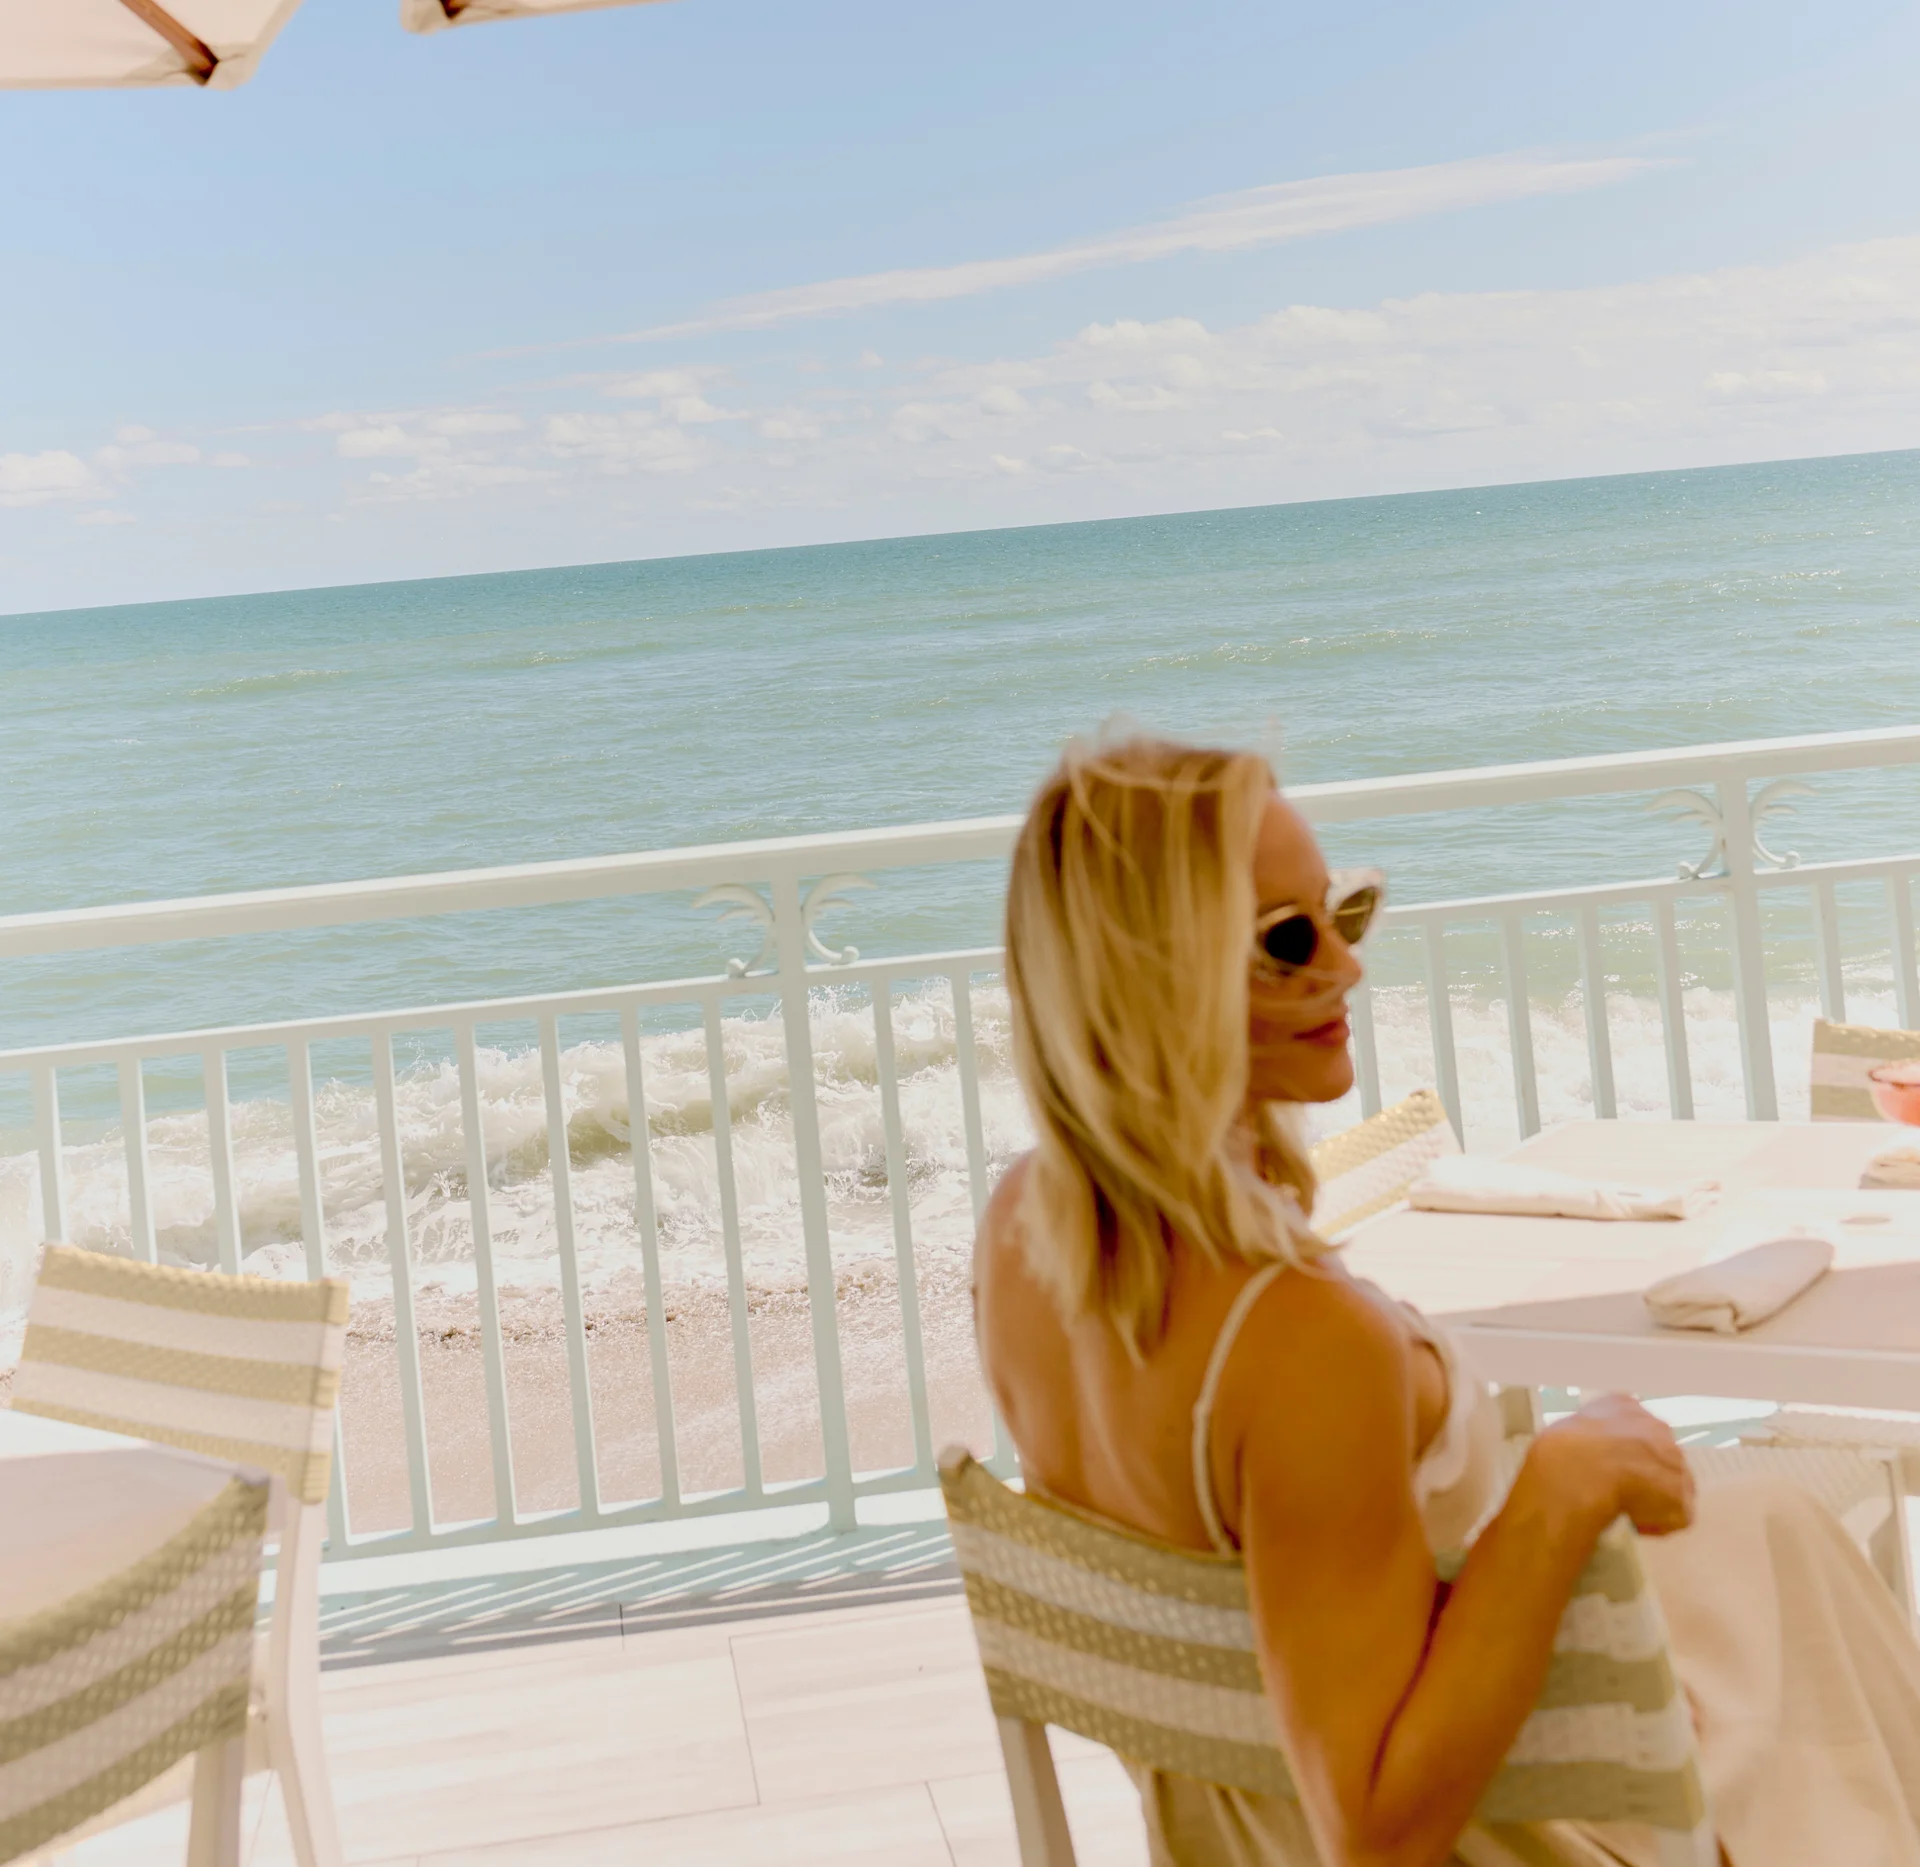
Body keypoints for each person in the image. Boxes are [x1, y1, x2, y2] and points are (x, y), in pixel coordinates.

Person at [973, 733, 1920, 1867]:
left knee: (1772, 1532)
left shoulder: (1027, 1232)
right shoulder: (1298, 1340)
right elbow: (1375, 1827)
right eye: (1287, 939)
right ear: (1153, 973)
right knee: (1799, 1618)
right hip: (1497, 1833)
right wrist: (1556, 1487)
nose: (1349, 964)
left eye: (1343, 912)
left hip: (1239, 1830)